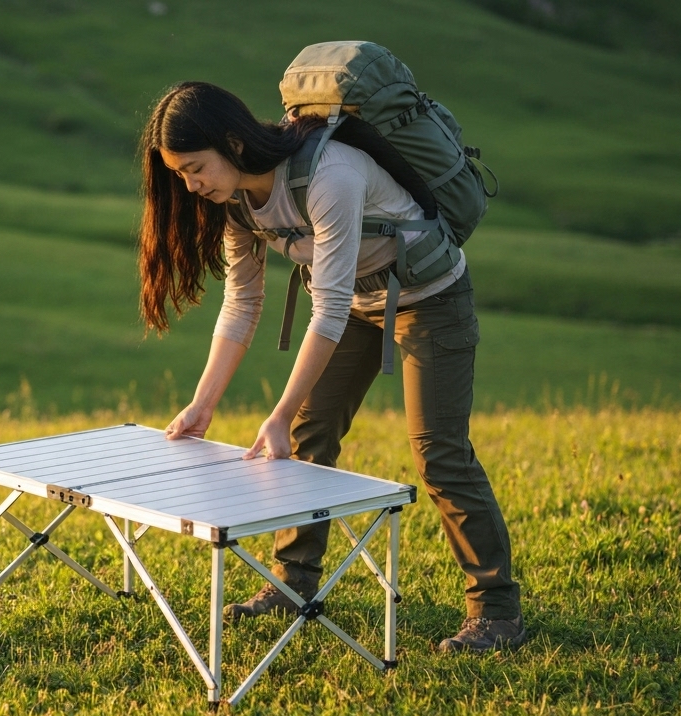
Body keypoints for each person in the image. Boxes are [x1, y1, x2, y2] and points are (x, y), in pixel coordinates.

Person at [138, 81, 524, 652]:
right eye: (181, 175)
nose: (192, 185)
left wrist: (276, 412)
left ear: (232, 143)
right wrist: (202, 404)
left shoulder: (329, 174)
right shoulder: (236, 202)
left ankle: (496, 612)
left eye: (195, 168)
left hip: (429, 299)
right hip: (357, 303)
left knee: (438, 451)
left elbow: (329, 307)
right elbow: (241, 303)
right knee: (309, 433)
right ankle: (292, 583)